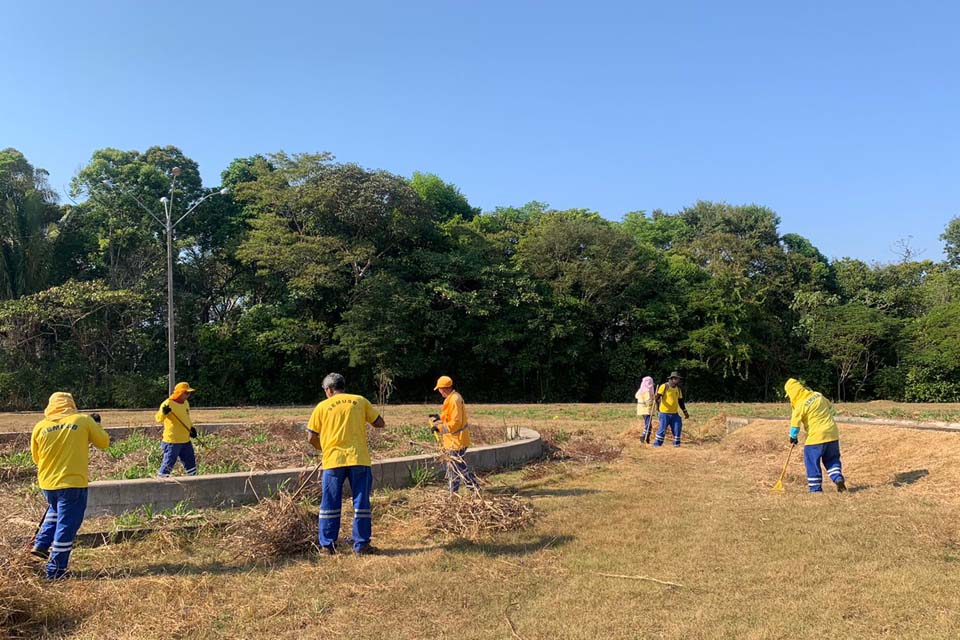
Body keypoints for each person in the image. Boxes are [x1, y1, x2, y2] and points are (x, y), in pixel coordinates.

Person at [30, 392, 110, 579]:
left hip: (47, 483)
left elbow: (36, 458)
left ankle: (41, 545)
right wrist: (97, 424)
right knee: (67, 524)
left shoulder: (40, 426)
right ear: (71, 405)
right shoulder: (82, 421)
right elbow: (104, 442)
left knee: (55, 511)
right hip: (72, 483)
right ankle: (56, 571)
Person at [307, 373, 386, 555]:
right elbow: (380, 423)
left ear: (328, 390)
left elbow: (311, 436)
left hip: (333, 461)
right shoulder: (360, 401)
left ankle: (327, 546)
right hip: (359, 459)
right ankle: (362, 545)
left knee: (330, 503)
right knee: (361, 502)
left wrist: (324, 447)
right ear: (343, 386)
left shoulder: (323, 406)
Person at [784, 378, 847, 493]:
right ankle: (837, 477)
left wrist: (793, 437)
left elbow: (795, 424)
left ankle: (815, 489)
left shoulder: (799, 405)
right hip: (832, 434)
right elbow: (829, 406)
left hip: (816, 437)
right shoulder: (818, 395)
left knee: (811, 461)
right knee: (832, 459)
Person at [430, 375, 478, 493]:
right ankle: (472, 488)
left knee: (455, 468)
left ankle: (455, 493)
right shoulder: (452, 398)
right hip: (453, 440)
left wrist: (439, 428)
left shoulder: (454, 399)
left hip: (457, 440)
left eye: (440, 389)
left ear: (445, 388)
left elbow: (456, 422)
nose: (439, 392)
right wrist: (439, 417)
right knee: (457, 467)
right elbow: (450, 416)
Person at [155, 382, 198, 478]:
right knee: (168, 465)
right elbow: (158, 418)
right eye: (186, 393)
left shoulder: (186, 403)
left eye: (189, 393)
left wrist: (191, 428)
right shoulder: (168, 403)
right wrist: (164, 412)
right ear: (179, 393)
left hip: (185, 440)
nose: (188, 395)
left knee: (191, 464)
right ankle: (160, 484)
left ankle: (193, 483)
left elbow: (186, 417)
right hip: (172, 442)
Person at [653, 372, 689, 447]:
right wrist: (656, 399)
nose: (678, 380)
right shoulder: (664, 386)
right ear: (672, 379)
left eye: (679, 379)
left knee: (677, 428)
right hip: (664, 413)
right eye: (677, 379)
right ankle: (657, 445)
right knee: (662, 430)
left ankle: (676, 445)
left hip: (674, 413)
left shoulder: (678, 389)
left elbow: (680, 401)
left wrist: (685, 411)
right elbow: (658, 397)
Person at [635, 376, 656, 443]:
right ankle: (644, 436)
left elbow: (636, 396)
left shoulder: (641, 390)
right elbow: (648, 402)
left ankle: (647, 438)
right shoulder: (647, 392)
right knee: (648, 425)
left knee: (648, 424)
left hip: (642, 410)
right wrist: (654, 399)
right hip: (646, 410)